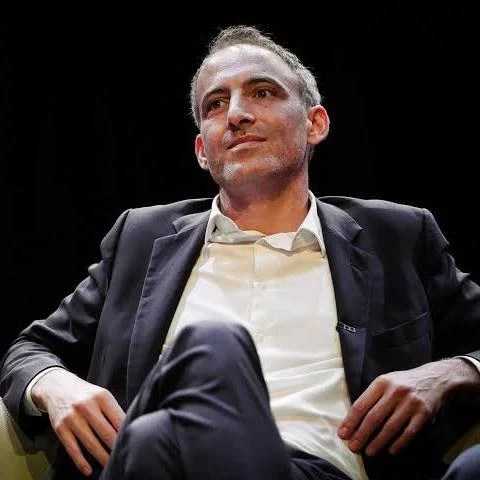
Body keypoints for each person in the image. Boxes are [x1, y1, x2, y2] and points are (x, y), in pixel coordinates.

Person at [1, 25, 480, 480]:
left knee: (206, 356)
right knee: (175, 404)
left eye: (262, 93)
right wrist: (55, 383)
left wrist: (453, 370)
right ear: (201, 150)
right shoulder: (139, 239)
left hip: (312, 467)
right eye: (215, 104)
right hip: (152, 463)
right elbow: (31, 349)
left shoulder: (395, 236)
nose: (236, 114)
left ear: (314, 124)